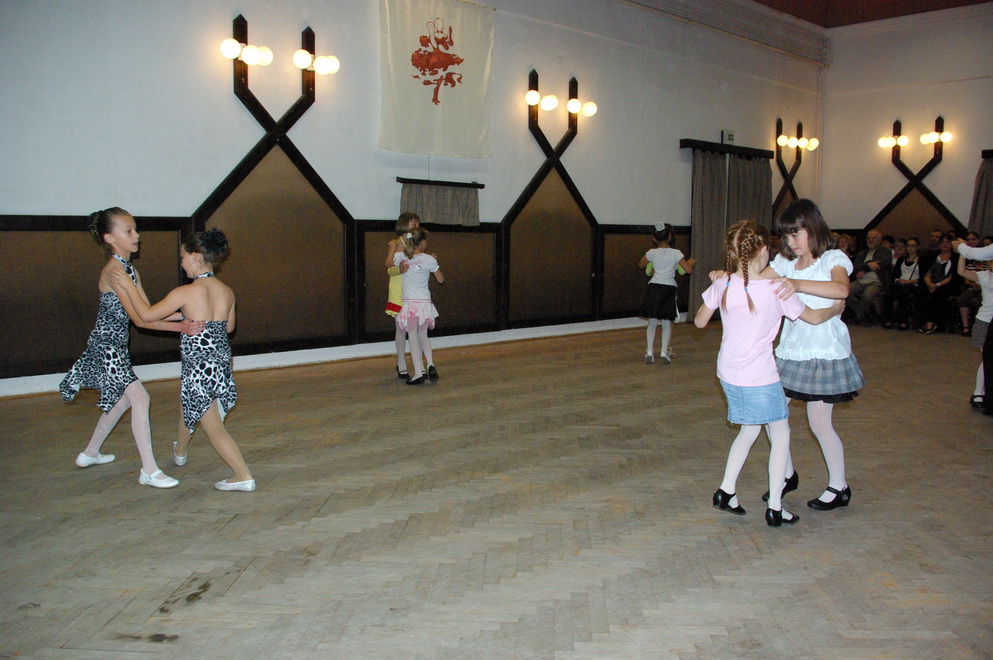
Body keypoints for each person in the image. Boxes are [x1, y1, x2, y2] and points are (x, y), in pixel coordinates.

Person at [696, 221, 842, 527]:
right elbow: (814, 317)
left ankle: (726, 491)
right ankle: (775, 507)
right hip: (759, 376)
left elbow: (699, 322)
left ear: (732, 252)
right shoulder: (776, 290)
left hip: (728, 373)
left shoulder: (723, 283)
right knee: (781, 436)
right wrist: (835, 308)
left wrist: (716, 284)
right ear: (764, 250)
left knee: (749, 430)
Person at [60, 207, 200, 488]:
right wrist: (181, 327)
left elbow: (149, 310)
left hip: (115, 347)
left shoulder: (129, 269)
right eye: (128, 231)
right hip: (106, 348)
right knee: (140, 398)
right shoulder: (115, 272)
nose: (137, 236)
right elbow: (141, 320)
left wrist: (186, 313)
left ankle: (90, 453)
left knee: (123, 400)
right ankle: (149, 470)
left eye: (135, 229)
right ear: (110, 238)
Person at [112, 228, 255, 491]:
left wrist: (128, 285)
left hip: (200, 366)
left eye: (182, 257)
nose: (181, 263)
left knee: (212, 424)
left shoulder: (186, 292)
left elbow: (146, 315)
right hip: (221, 362)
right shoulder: (226, 291)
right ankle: (180, 451)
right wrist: (189, 316)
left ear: (195, 257)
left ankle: (242, 475)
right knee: (189, 403)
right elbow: (228, 327)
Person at [767, 199, 865, 511]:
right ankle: (786, 473)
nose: (790, 242)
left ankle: (839, 486)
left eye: (795, 234)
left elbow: (841, 290)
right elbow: (756, 279)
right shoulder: (784, 262)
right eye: (786, 236)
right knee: (771, 413)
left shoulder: (832, 258)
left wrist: (796, 284)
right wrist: (728, 278)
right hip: (791, 349)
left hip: (823, 351)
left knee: (819, 423)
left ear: (813, 228)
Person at [638, 222, 695, 364]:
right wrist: (690, 262)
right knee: (666, 322)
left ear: (654, 239)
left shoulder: (652, 253)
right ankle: (664, 352)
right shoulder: (676, 253)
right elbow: (688, 270)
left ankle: (650, 352)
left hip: (654, 287)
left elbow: (641, 264)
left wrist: (652, 269)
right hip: (669, 288)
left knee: (652, 321)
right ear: (670, 236)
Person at [394, 227, 444, 385]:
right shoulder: (429, 259)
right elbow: (441, 279)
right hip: (424, 304)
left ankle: (418, 373)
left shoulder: (400, 257)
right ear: (422, 243)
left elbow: (393, 262)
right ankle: (430, 364)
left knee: (413, 337)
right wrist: (433, 265)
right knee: (424, 336)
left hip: (410, 303)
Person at [953, 236, 993, 417]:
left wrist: (963, 248)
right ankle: (978, 393)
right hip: (985, 322)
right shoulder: (984, 276)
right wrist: (963, 252)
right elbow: (961, 271)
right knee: (987, 359)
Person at [385, 212, 421, 379]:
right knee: (401, 329)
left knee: (415, 329)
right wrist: (399, 266)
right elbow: (388, 266)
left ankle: (419, 366)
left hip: (412, 289)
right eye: (412, 224)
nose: (415, 226)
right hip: (399, 290)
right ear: (404, 224)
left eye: (417, 224)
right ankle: (401, 363)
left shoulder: (416, 243)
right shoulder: (397, 243)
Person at [917, 232, 960, 334]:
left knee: (939, 293)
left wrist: (938, 285)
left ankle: (935, 322)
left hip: (947, 284)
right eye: (943, 242)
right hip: (932, 283)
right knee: (921, 292)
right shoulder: (932, 256)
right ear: (939, 244)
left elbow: (952, 276)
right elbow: (927, 274)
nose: (945, 244)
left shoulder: (956, 258)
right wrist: (929, 284)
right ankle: (927, 322)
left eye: (948, 242)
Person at [846, 229, 891, 324]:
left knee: (867, 295)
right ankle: (864, 313)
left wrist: (865, 269)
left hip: (876, 282)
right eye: (869, 238)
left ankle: (859, 316)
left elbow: (884, 263)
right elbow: (855, 266)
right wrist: (868, 264)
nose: (870, 240)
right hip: (861, 281)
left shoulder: (885, 251)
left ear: (879, 240)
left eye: (873, 238)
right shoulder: (862, 253)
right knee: (844, 292)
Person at [881, 237, 921, 330]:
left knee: (903, 294)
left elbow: (923, 277)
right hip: (901, 283)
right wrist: (898, 280)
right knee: (888, 293)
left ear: (918, 247)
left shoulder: (921, 260)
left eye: (913, 246)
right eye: (908, 246)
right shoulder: (901, 259)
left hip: (914, 284)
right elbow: (895, 274)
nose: (910, 248)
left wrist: (909, 281)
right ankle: (888, 319)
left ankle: (903, 321)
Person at [953, 232, 987, 337]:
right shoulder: (966, 256)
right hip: (972, 284)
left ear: (978, 240)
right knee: (962, 299)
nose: (971, 241)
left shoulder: (984, 254)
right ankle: (966, 326)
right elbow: (963, 274)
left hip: (985, 285)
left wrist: (980, 285)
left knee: (983, 300)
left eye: (973, 239)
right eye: (968, 239)